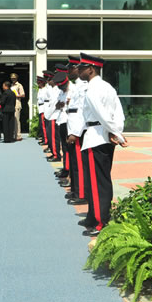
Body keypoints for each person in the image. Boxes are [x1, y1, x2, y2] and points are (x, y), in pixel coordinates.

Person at [77, 53, 127, 237]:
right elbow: (118, 112)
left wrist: (116, 133)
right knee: (97, 180)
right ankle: (92, 216)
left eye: (82, 68)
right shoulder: (108, 87)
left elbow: (103, 115)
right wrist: (116, 131)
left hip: (96, 137)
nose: (79, 71)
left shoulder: (93, 89)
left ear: (91, 69)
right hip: (103, 136)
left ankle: (100, 222)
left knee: (98, 182)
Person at [66, 56, 89, 206]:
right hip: (72, 127)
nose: (69, 72)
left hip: (78, 131)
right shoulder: (76, 85)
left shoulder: (83, 86)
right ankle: (75, 189)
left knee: (79, 164)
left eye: (71, 68)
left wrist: (75, 132)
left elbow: (81, 111)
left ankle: (81, 193)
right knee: (74, 162)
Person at [52, 72, 71, 182]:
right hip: (61, 120)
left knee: (68, 148)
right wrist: (59, 104)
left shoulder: (72, 90)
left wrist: (66, 104)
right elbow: (57, 105)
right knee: (64, 147)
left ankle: (68, 170)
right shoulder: (61, 92)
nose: (61, 89)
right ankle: (66, 168)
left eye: (62, 86)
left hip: (69, 122)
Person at [10, 73, 26, 141]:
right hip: (11, 104)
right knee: (12, 120)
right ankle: (13, 134)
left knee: (17, 120)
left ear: (16, 78)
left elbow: (23, 95)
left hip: (17, 103)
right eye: (12, 78)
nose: (13, 80)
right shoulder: (11, 85)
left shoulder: (19, 85)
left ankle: (18, 135)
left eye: (14, 78)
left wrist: (16, 95)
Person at [35, 76, 47, 144]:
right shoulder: (40, 90)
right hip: (40, 108)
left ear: (42, 83)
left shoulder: (45, 90)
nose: (38, 84)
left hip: (43, 108)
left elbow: (46, 101)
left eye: (39, 83)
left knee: (43, 125)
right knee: (41, 125)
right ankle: (43, 138)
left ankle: (45, 140)